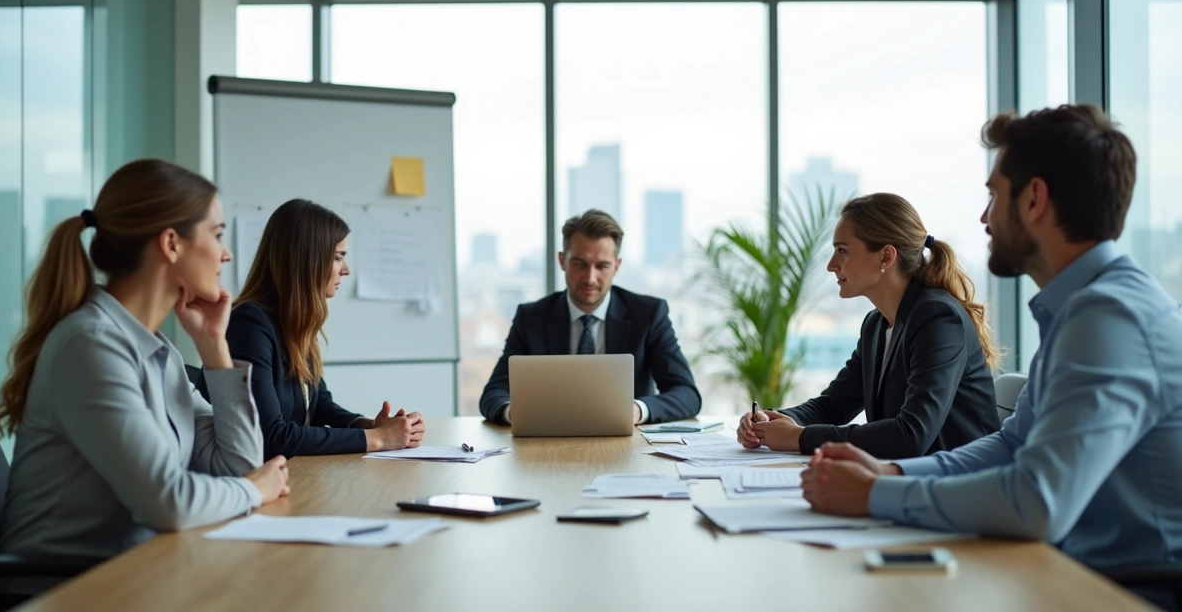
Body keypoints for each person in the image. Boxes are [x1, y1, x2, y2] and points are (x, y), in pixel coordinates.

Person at [799, 105, 1182, 608]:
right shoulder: (1082, 309)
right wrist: (888, 474)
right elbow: (1011, 444)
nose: (983, 218)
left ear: (1034, 200)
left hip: (1130, 593)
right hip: (1071, 571)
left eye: (993, 196)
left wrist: (874, 496)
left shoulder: (1109, 317)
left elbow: (1037, 500)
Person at [0, 159, 289, 560]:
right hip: (62, 590)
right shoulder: (91, 345)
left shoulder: (157, 349)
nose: (227, 254)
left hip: (139, 570)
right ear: (170, 244)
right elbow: (168, 502)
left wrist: (214, 348)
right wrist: (257, 489)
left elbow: (237, 466)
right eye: (217, 235)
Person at [736, 193, 1001, 459]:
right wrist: (773, 421)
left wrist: (800, 438)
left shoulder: (938, 318)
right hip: (912, 480)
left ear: (886, 257)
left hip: (961, 488)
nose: (831, 265)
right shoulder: (876, 324)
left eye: (842, 250)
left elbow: (912, 435)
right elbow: (833, 406)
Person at [224, 199, 425, 458]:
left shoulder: (294, 321)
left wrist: (371, 426)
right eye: (338, 257)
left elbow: (320, 407)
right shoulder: (249, 324)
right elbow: (272, 435)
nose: (346, 270)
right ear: (306, 260)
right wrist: (377, 439)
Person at [479, 209, 700, 425]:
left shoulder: (649, 315)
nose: (590, 278)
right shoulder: (531, 318)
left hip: (628, 450)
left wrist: (636, 410)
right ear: (562, 261)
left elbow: (687, 394)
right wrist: (513, 412)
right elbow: (493, 394)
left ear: (617, 266)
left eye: (602, 266)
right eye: (580, 264)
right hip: (546, 446)